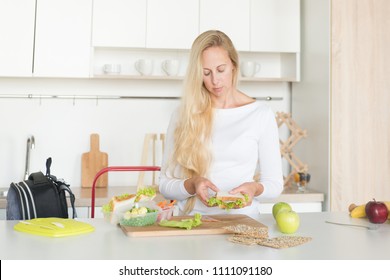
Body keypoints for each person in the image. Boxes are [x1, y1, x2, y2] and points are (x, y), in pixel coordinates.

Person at [159, 30, 283, 219]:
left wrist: (255, 188)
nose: (215, 80)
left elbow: (274, 184)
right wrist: (192, 184)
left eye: (221, 70)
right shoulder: (183, 115)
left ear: (233, 65)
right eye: (206, 73)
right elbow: (165, 185)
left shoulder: (260, 114)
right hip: (193, 224)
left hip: (243, 222)